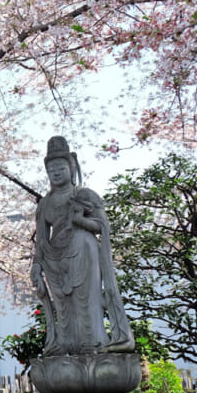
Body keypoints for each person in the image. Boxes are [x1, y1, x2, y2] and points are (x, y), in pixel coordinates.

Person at [31, 136, 133, 356]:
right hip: (54, 260)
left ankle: (95, 344)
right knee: (64, 309)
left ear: (71, 167)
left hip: (82, 253)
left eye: (60, 167)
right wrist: (36, 266)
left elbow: (102, 226)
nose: (56, 173)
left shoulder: (84, 195)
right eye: (51, 170)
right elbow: (41, 239)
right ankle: (67, 346)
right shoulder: (45, 204)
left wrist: (80, 221)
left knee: (87, 302)